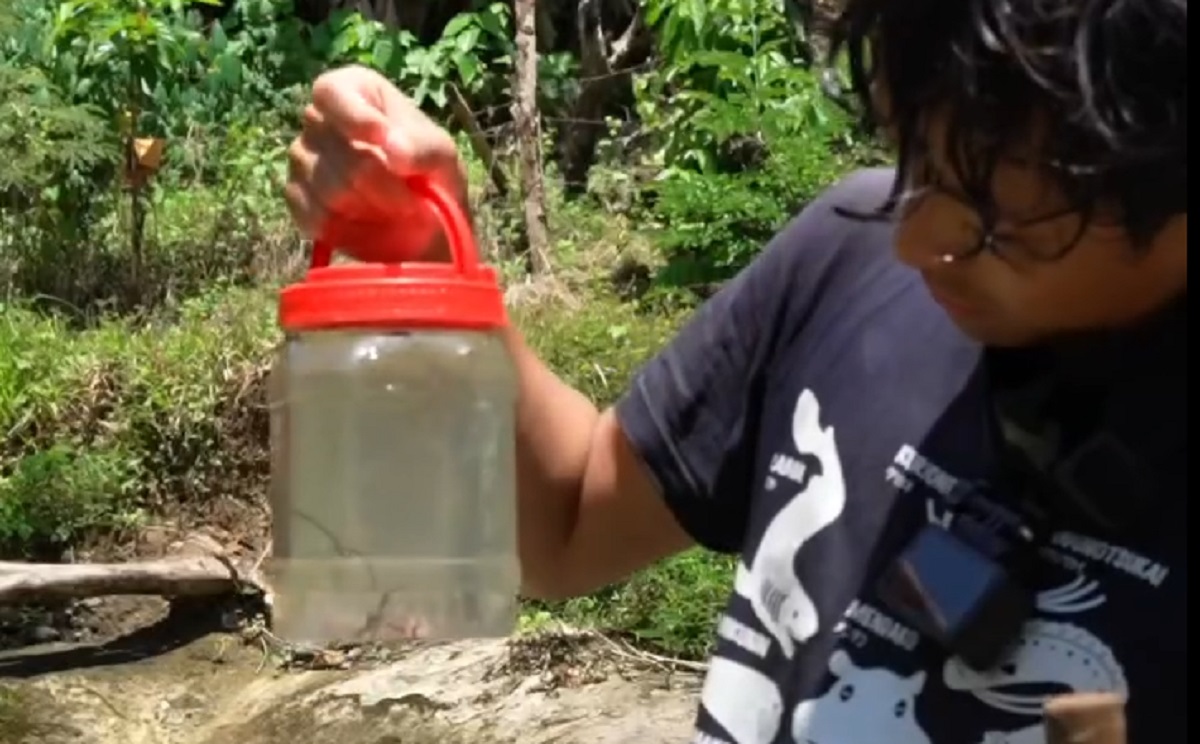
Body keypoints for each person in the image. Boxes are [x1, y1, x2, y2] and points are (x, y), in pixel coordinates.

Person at [284, 0, 1186, 739]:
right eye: (916, 164)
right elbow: (565, 525)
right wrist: (449, 283)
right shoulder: (843, 261)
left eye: (989, 223)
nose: (913, 242)